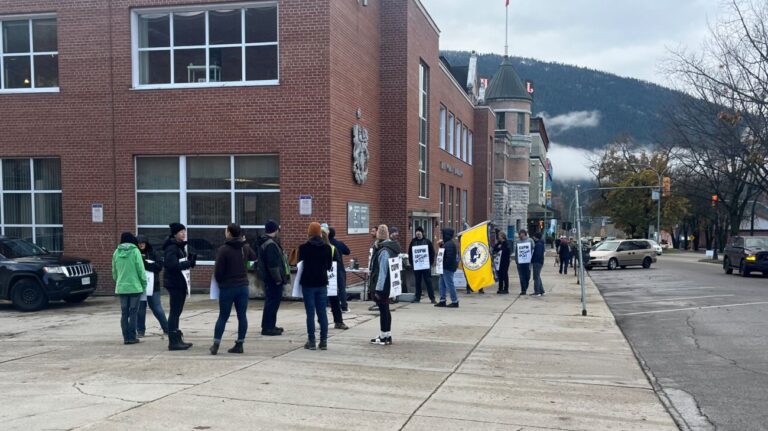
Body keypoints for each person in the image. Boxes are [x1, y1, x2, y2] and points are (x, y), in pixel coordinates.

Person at [209, 223, 256, 355]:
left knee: (223, 316)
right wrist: (244, 242)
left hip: (228, 287)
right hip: (243, 286)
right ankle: (240, 343)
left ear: (229, 233)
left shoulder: (223, 249)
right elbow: (254, 257)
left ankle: (216, 344)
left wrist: (220, 282)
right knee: (242, 316)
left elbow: (218, 271)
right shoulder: (245, 247)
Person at [298, 222, 333, 350]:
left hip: (308, 283)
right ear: (320, 233)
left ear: (309, 233)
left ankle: (311, 341)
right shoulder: (327, 248)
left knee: (310, 313)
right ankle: (323, 341)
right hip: (322, 283)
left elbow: (299, 263)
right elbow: (329, 266)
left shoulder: (303, 247)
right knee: (322, 313)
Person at [163, 222, 197, 351]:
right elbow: (172, 265)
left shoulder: (179, 247)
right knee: (175, 312)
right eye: (181, 232)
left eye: (184, 231)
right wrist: (188, 263)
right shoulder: (172, 247)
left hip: (180, 283)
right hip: (175, 283)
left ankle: (177, 337)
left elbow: (180, 263)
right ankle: (173, 340)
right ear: (175, 234)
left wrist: (190, 260)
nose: (184, 234)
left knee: (177, 312)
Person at [112, 232, 147, 345]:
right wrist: (144, 284)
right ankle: (132, 337)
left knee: (124, 313)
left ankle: (125, 337)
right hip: (135, 287)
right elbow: (140, 269)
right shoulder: (135, 251)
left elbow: (114, 271)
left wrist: (118, 281)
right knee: (133, 312)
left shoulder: (116, 252)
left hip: (122, 287)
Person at [369, 225, 401, 345]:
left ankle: (383, 336)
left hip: (383, 285)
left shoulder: (384, 251)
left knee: (383, 310)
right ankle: (387, 334)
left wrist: (378, 289)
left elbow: (382, 271)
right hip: (391, 283)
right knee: (386, 309)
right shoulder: (392, 248)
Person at [257, 220, 289, 336]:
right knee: (272, 303)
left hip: (269, 279)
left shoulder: (265, 242)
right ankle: (268, 328)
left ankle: (270, 325)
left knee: (271, 302)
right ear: (275, 230)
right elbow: (273, 265)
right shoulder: (270, 244)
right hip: (273, 280)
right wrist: (278, 279)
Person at [136, 235, 168, 337]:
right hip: (140, 286)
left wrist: (146, 264)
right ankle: (140, 330)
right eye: (139, 243)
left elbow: (159, 266)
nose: (141, 245)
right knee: (140, 309)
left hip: (153, 285)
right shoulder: (135, 253)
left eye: (143, 243)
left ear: (146, 243)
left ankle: (166, 328)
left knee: (156, 308)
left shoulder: (153, 253)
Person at [322, 226, 348, 330]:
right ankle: (338, 321)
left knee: (320, 303)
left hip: (319, 280)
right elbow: (337, 262)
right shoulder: (333, 247)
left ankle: (322, 322)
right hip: (331, 278)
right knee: (335, 300)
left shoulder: (308, 247)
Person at [408, 226, 435, 303]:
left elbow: (432, 253)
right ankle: (417, 297)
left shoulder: (427, 241)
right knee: (417, 282)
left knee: (428, 281)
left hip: (426, 266)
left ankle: (432, 298)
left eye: (419, 231)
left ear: (422, 233)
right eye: (417, 231)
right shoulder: (413, 242)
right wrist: (411, 263)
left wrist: (430, 262)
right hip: (417, 266)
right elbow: (410, 253)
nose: (418, 233)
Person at [435, 228, 459, 308]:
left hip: (447, 268)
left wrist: (444, 265)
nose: (441, 235)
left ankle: (455, 301)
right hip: (444, 267)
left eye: (443, 234)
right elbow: (444, 253)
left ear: (446, 235)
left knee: (449, 284)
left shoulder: (449, 244)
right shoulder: (448, 243)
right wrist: (441, 245)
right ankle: (442, 300)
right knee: (441, 284)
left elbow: (449, 257)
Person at [328, 227, 350, 312]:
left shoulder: (324, 244)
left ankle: (331, 305)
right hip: (339, 267)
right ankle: (344, 306)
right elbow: (347, 251)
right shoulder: (339, 243)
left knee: (330, 287)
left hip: (328, 268)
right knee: (341, 287)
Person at [514, 229, 534, 295]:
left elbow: (533, 249)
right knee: (521, 276)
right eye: (519, 234)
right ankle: (523, 290)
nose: (520, 235)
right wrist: (516, 260)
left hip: (528, 262)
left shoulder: (530, 240)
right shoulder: (517, 241)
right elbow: (516, 251)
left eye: (521, 234)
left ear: (524, 234)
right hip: (520, 262)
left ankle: (525, 286)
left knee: (527, 276)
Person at [531, 232, 546, 297]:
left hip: (537, 262)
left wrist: (533, 260)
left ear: (536, 237)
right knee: (537, 276)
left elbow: (538, 254)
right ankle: (541, 290)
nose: (533, 238)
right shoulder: (540, 243)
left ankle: (537, 291)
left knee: (536, 277)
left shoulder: (538, 244)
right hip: (539, 262)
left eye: (534, 236)